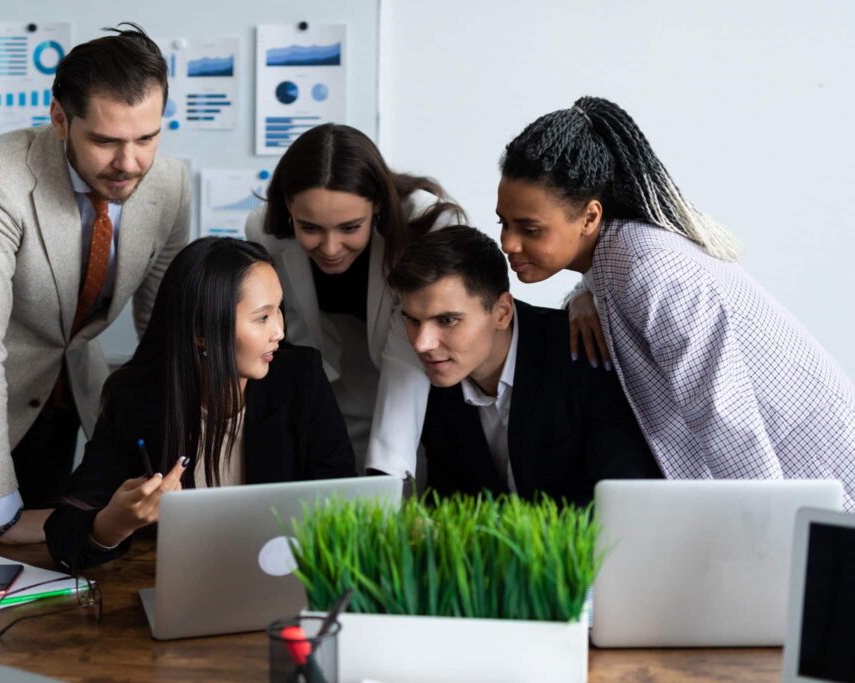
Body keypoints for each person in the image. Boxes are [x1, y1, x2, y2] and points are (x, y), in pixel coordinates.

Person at [0, 24, 192, 541]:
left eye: (147, 138)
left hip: (65, 395)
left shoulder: (170, 183)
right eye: (106, 141)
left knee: (55, 574)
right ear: (60, 119)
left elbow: (165, 329)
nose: (130, 163)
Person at [497, 95, 855, 509]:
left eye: (530, 228)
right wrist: (583, 294)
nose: (508, 243)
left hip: (819, 479)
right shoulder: (618, 256)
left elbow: (725, 421)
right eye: (503, 222)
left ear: (590, 217)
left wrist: (769, 537)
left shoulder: (653, 270)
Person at [45, 238, 356, 570]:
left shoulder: (300, 378)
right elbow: (64, 533)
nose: (279, 331)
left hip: (284, 579)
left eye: (279, 309)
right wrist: (115, 522)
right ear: (201, 330)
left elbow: (343, 505)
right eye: (262, 317)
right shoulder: (135, 400)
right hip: (181, 584)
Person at [245, 123, 464, 471]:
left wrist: (385, 473)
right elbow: (300, 341)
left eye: (350, 227)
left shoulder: (426, 225)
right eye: (311, 228)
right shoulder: (265, 231)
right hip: (335, 365)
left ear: (377, 204)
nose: (330, 249)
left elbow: (410, 357)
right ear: (289, 207)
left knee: (406, 475)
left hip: (423, 369)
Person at [388, 226, 661, 504]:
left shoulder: (583, 355)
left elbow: (624, 500)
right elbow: (449, 508)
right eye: (412, 320)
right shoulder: (433, 381)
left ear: (502, 313)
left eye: (447, 320)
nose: (422, 344)